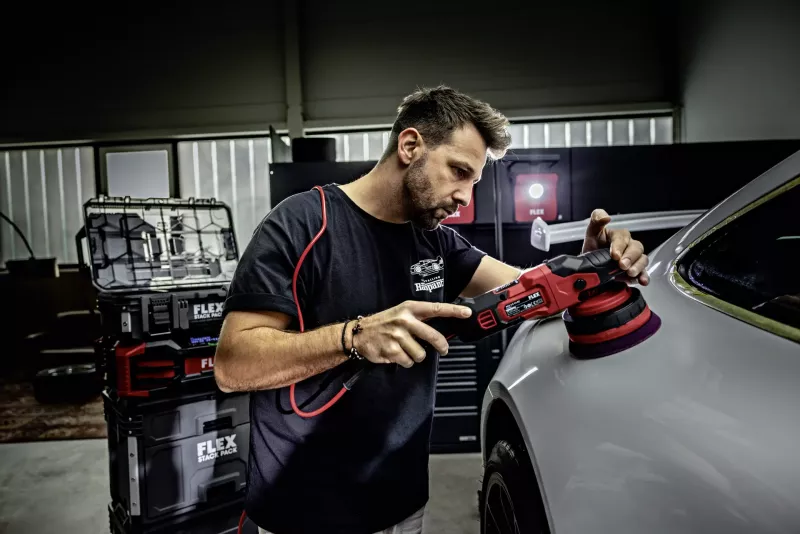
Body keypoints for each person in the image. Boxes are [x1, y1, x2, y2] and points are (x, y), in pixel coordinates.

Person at [214, 85, 650, 534]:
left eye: (473, 182)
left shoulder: (435, 241)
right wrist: (354, 337)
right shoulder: (302, 223)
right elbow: (232, 365)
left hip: (402, 506)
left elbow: (528, 288)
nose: (465, 197)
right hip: (303, 513)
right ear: (410, 146)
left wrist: (587, 269)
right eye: (458, 171)